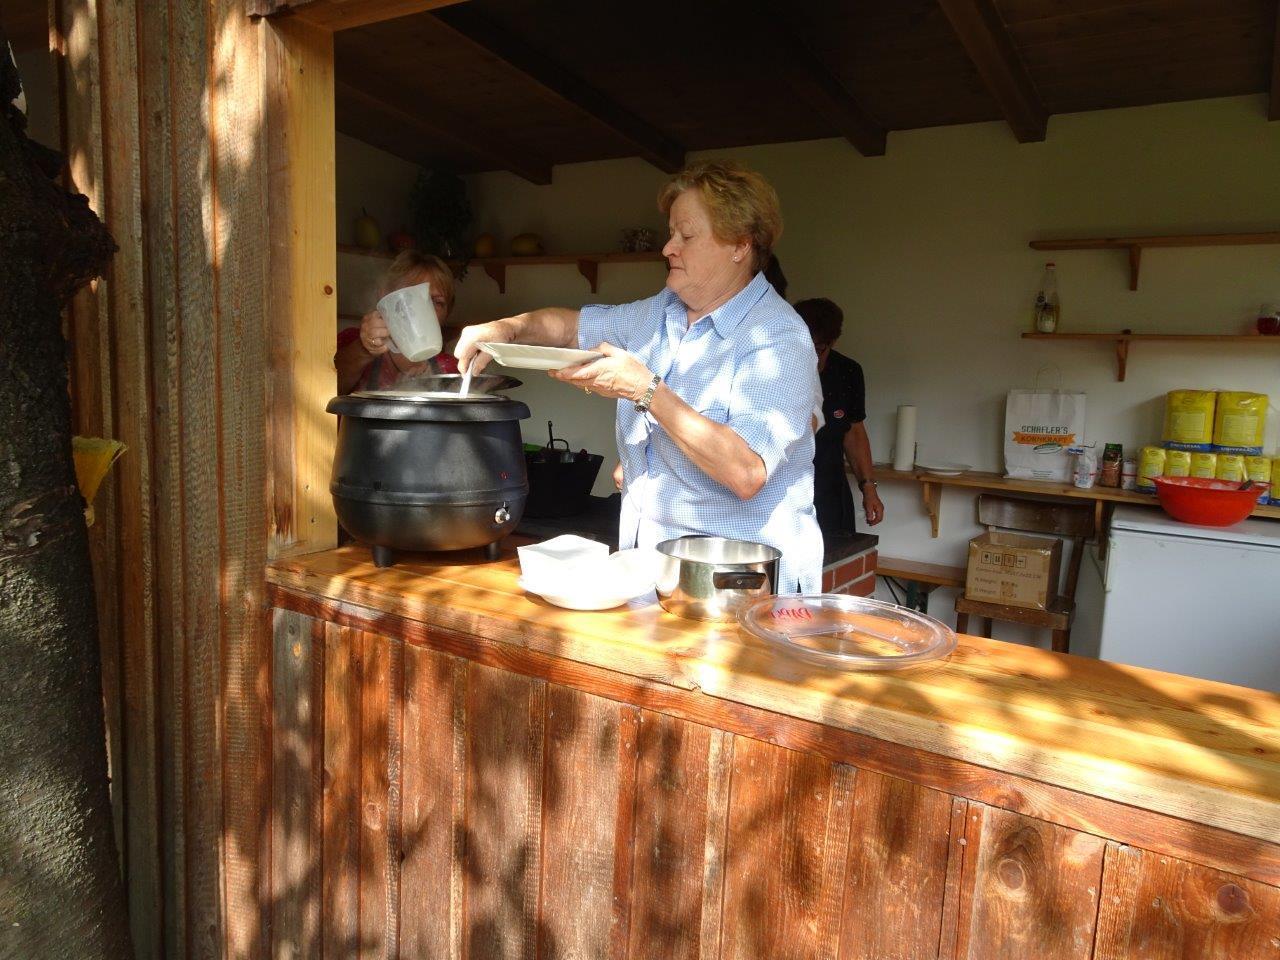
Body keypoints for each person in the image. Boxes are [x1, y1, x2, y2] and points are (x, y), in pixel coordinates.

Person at [456, 160, 823, 592]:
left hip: (740, 584)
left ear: (740, 245)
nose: (668, 248)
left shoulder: (778, 336)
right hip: (656, 569)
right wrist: (507, 329)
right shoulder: (659, 312)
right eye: (671, 233)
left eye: (686, 236)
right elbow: (572, 327)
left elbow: (746, 471)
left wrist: (644, 389)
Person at [794, 297, 884, 533]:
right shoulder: (778, 369)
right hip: (787, 488)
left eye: (818, 349)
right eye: (803, 347)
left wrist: (869, 488)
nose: (811, 357)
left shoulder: (847, 372)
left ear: (833, 342)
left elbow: (854, 432)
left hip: (830, 487)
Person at [335, 250, 459, 394]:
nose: (425, 309)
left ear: (447, 313)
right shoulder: (352, 342)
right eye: (411, 296)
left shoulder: (450, 367)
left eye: (437, 302)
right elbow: (324, 387)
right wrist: (364, 349)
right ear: (385, 296)